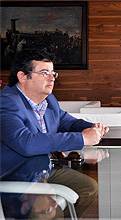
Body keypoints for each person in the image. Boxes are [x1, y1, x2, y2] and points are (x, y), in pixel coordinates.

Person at [0, 48, 109, 218]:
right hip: (18, 176)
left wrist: (93, 128)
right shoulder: (6, 103)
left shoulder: (48, 99)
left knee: (89, 188)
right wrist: (82, 138)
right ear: (22, 77)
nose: (52, 78)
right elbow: (27, 144)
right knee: (46, 212)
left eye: (53, 73)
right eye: (44, 73)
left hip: (43, 169)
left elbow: (67, 122)